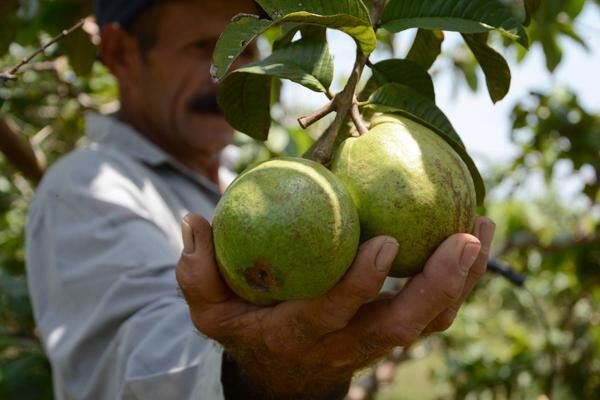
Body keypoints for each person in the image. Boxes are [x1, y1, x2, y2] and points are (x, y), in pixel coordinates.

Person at [25, 0, 496, 399]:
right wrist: (260, 370)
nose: (231, 73)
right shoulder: (86, 186)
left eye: (245, 46)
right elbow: (128, 365)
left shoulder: (254, 183)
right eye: (202, 49)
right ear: (120, 53)